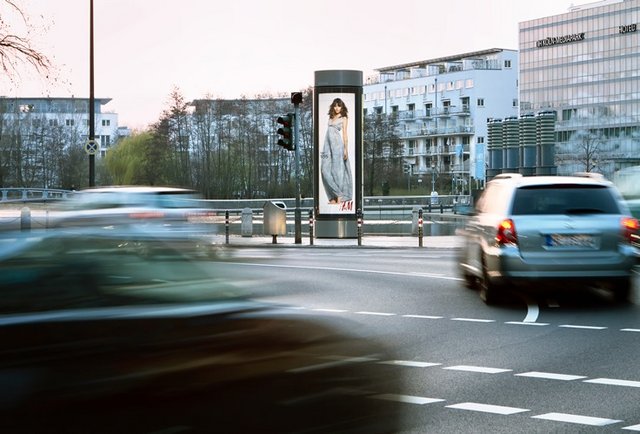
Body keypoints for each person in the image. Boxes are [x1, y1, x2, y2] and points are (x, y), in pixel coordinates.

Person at [321, 98, 353, 204]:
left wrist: (345, 150)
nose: (337, 108)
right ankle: (334, 195)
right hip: (327, 145)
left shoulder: (343, 118)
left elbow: (345, 135)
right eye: (335, 106)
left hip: (337, 145)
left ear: (342, 106)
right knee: (324, 171)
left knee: (337, 172)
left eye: (339, 106)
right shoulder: (331, 117)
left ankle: (338, 197)